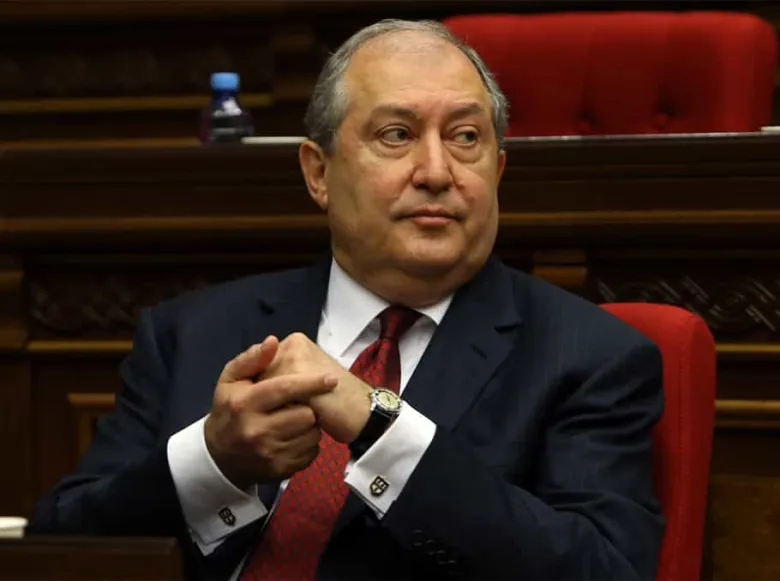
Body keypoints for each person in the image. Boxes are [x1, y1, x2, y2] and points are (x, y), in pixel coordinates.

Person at [28, 18, 664, 581]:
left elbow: (603, 570)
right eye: (397, 134)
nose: (437, 171)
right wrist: (214, 462)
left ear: (496, 172)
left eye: (466, 137)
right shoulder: (192, 333)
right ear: (318, 173)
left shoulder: (587, 357)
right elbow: (64, 545)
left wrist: (382, 430)